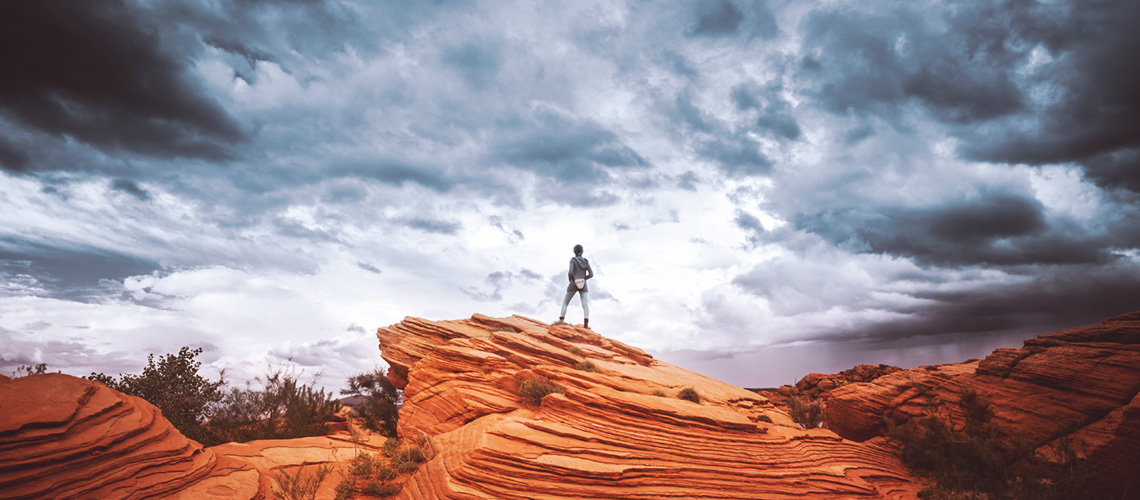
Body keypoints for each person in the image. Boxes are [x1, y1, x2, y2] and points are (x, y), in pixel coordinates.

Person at [558, 244, 593, 328]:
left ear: (574, 251)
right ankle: (586, 324)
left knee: (565, 303)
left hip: (573, 283)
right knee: (585, 305)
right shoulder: (586, 261)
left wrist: (572, 280)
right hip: (583, 284)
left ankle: (561, 321)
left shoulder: (572, 260)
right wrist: (584, 279)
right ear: (582, 251)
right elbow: (591, 274)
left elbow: (570, 272)